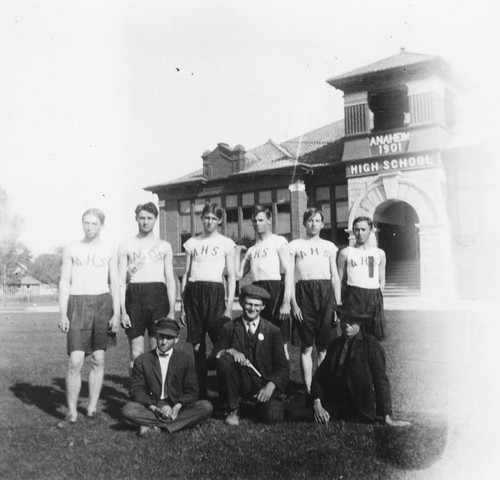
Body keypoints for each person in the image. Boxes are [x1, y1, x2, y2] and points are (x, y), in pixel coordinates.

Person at [57, 208, 120, 426]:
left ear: (101, 225)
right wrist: (62, 312)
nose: (89, 227)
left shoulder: (109, 250)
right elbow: (64, 281)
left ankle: (92, 408)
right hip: (77, 303)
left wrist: (117, 313)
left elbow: (116, 282)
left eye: (94, 223)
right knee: (75, 360)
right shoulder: (72, 249)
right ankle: (72, 411)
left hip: (102, 303)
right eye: (86, 222)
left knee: (98, 359)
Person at [307, 304, 409, 426]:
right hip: (336, 402)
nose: (347, 325)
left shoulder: (370, 344)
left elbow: (380, 380)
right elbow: (319, 377)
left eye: (352, 321)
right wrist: (317, 404)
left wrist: (387, 416)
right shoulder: (335, 345)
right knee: (296, 413)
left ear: (359, 323)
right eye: (344, 320)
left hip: (359, 406)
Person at [180, 203, 236, 399]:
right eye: (207, 217)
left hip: (215, 292)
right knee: (197, 346)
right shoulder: (192, 243)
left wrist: (229, 307)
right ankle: (201, 392)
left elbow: (232, 276)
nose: (210, 221)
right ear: (202, 218)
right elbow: (186, 274)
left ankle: (225, 390)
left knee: (220, 343)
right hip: (194, 293)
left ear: (220, 220)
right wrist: (183, 307)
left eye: (214, 218)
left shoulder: (226, 243)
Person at [212, 284, 289, 426]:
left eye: (257, 305)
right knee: (224, 360)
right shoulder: (228, 328)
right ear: (241, 302)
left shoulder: (273, 331)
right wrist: (229, 351)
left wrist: (270, 387)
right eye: (248, 304)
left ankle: (258, 405)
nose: (252, 309)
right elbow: (213, 359)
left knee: (273, 417)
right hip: (240, 383)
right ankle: (233, 409)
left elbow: (283, 368)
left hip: (264, 383)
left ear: (263, 307)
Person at [122, 318, 213, 436]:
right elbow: (136, 390)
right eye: (161, 336)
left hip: (177, 406)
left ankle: (155, 426)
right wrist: (154, 407)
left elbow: (192, 390)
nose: (164, 342)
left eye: (169, 338)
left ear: (177, 339)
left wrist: (177, 407)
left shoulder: (185, 360)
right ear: (156, 335)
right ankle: (177, 425)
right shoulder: (143, 360)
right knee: (128, 409)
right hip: (153, 407)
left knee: (206, 406)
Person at [118, 202, 176, 375]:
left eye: (149, 218)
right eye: (142, 218)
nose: (145, 222)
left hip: (158, 296)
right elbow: (121, 280)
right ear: (136, 218)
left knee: (158, 348)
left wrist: (172, 310)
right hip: (135, 296)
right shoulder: (126, 245)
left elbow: (170, 279)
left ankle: (157, 394)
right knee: (136, 352)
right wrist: (122, 310)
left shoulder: (164, 246)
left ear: (156, 219)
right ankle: (136, 393)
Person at [289, 207, 341, 394]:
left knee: (324, 347)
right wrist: (293, 303)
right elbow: (291, 278)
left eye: (317, 220)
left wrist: (337, 305)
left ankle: (323, 386)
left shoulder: (329, 246)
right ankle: (309, 388)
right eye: (310, 220)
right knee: (306, 346)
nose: (313, 224)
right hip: (304, 294)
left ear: (322, 224)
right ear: (304, 223)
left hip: (326, 294)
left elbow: (335, 276)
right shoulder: (295, 245)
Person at [236, 205, 293, 358]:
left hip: (275, 289)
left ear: (269, 221)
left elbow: (289, 271)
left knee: (280, 341)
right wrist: (236, 252)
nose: (257, 224)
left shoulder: (278, 241)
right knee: (260, 338)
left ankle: (283, 381)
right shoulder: (251, 250)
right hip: (257, 291)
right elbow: (237, 274)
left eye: (261, 220)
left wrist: (286, 302)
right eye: (254, 221)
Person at [337, 216, 386, 340]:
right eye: (357, 230)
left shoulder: (379, 253)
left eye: (363, 229)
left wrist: (378, 296)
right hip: (354, 296)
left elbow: (381, 279)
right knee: (354, 336)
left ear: (371, 230)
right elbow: (339, 279)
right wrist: (341, 300)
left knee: (373, 338)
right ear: (353, 231)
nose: (360, 233)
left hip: (373, 296)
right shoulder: (345, 253)